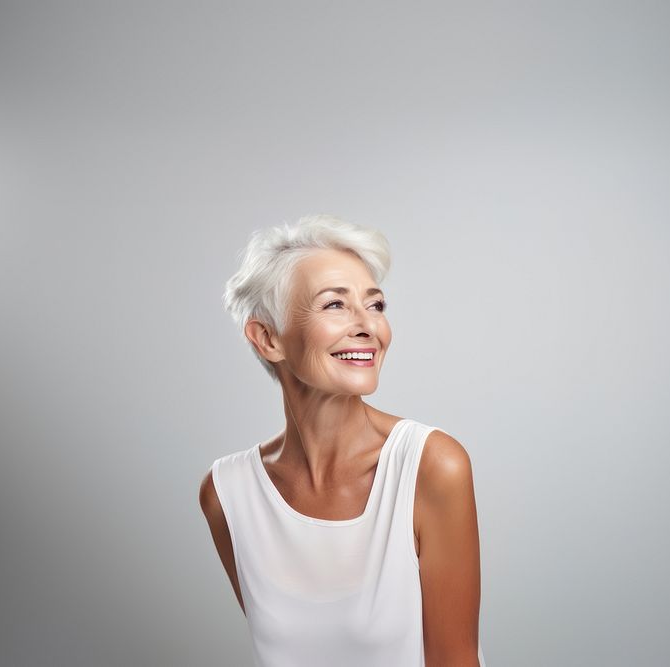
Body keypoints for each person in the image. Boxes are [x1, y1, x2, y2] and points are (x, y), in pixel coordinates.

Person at [199, 214, 487, 666]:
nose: (367, 326)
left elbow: (456, 661)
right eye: (335, 305)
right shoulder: (227, 493)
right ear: (268, 337)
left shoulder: (430, 466)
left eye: (375, 305)